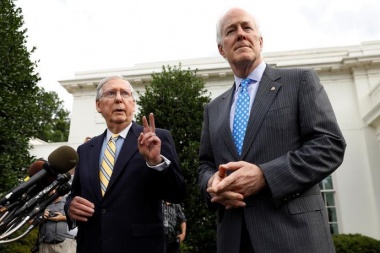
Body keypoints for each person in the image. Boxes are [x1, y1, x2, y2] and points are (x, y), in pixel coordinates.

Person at [198, 7, 346, 253]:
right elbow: (205, 164)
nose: (241, 34)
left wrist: (265, 176)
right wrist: (211, 184)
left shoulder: (300, 82)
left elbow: (329, 145)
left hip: (295, 238)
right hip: (234, 240)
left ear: (260, 40)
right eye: (231, 31)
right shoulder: (213, 109)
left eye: (247, 28)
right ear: (221, 49)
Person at [64, 75, 186, 253]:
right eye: (111, 93)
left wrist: (155, 162)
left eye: (125, 94)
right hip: (91, 246)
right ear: (98, 105)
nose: (119, 98)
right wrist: (70, 207)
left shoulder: (155, 138)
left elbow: (177, 194)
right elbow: (74, 195)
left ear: (133, 104)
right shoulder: (85, 150)